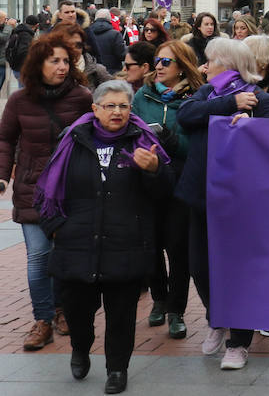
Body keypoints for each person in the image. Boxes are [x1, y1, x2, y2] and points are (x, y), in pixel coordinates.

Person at [36, 79, 172, 395]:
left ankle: (117, 369)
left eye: (123, 105)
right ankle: (81, 348)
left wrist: (154, 170)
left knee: (121, 315)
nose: (117, 111)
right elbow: (48, 189)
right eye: (109, 105)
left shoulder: (143, 141)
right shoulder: (72, 140)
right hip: (77, 243)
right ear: (95, 109)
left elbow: (165, 194)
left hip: (125, 243)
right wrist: (56, 227)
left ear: (130, 109)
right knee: (77, 313)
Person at [176, 38, 269, 371]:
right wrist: (229, 105)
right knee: (199, 266)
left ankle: (238, 343)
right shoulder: (208, 94)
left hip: (241, 202)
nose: (204, 67)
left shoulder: (260, 99)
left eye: (210, 61)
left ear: (227, 65)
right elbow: (186, 115)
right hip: (201, 196)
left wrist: (253, 123)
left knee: (238, 272)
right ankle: (217, 317)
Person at [0, 35, 93, 351]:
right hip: (31, 189)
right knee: (38, 256)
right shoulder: (19, 101)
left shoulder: (82, 98)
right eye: (55, 60)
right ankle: (43, 319)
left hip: (71, 190)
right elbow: (5, 141)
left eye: (66, 61)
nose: (62, 66)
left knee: (64, 256)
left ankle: (61, 309)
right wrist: (2, 177)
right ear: (38, 63)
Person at [133, 40, 203, 341]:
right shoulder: (143, 94)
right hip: (147, 179)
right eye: (157, 61)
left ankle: (176, 311)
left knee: (177, 247)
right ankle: (158, 299)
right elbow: (132, 131)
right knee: (149, 244)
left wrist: (172, 140)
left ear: (182, 66)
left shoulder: (196, 98)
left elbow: (198, 144)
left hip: (181, 180)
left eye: (166, 62)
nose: (158, 67)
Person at [88, 9, 127, 74]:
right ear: (109, 19)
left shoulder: (87, 34)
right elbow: (122, 55)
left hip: (93, 73)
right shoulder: (115, 34)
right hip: (112, 73)